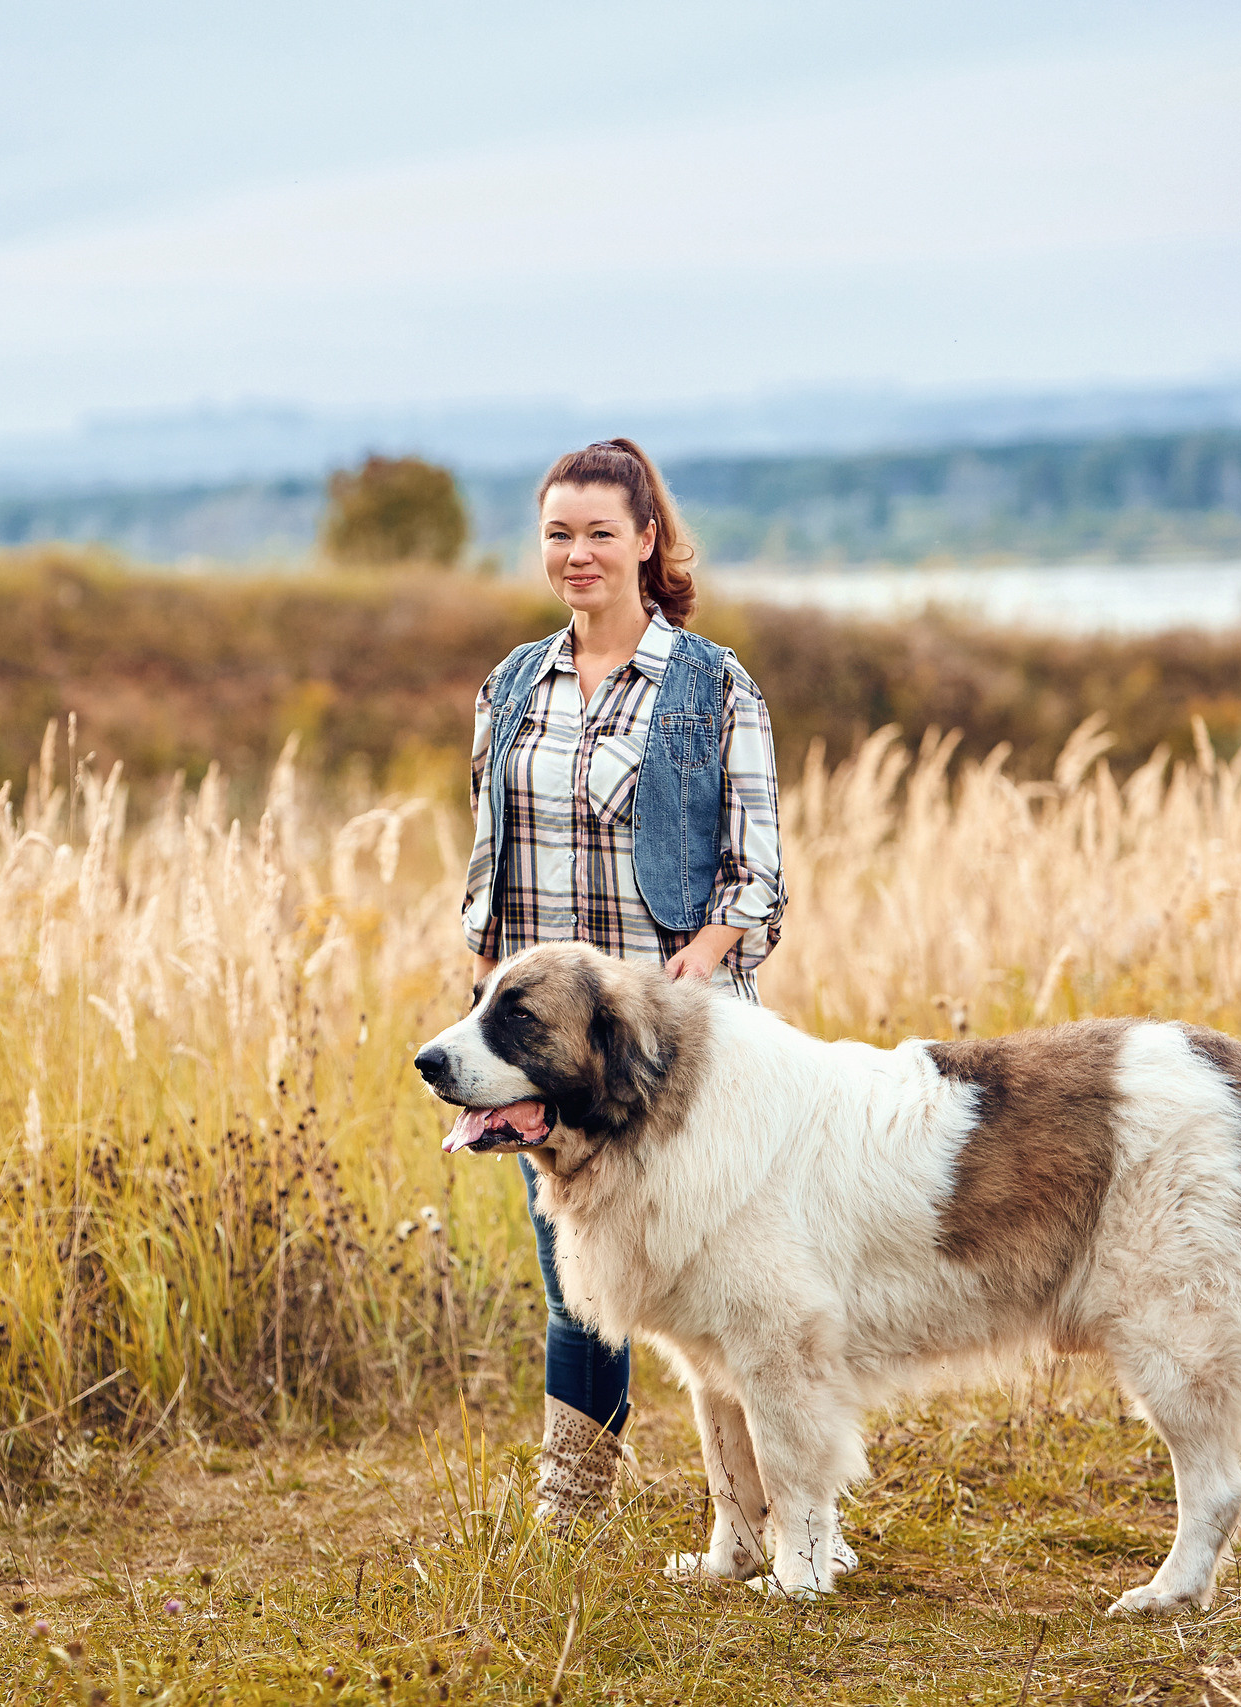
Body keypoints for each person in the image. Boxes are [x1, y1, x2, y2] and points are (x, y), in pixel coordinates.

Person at [460, 437, 786, 1525]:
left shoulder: (710, 686)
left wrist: (703, 957)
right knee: (576, 1278)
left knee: (717, 1279)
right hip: (539, 1044)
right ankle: (574, 1495)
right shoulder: (513, 684)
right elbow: (486, 848)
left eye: (601, 533)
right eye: (559, 533)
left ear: (648, 540)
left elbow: (757, 875)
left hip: (671, 1051)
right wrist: (484, 962)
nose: (578, 555)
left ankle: (754, 1511)